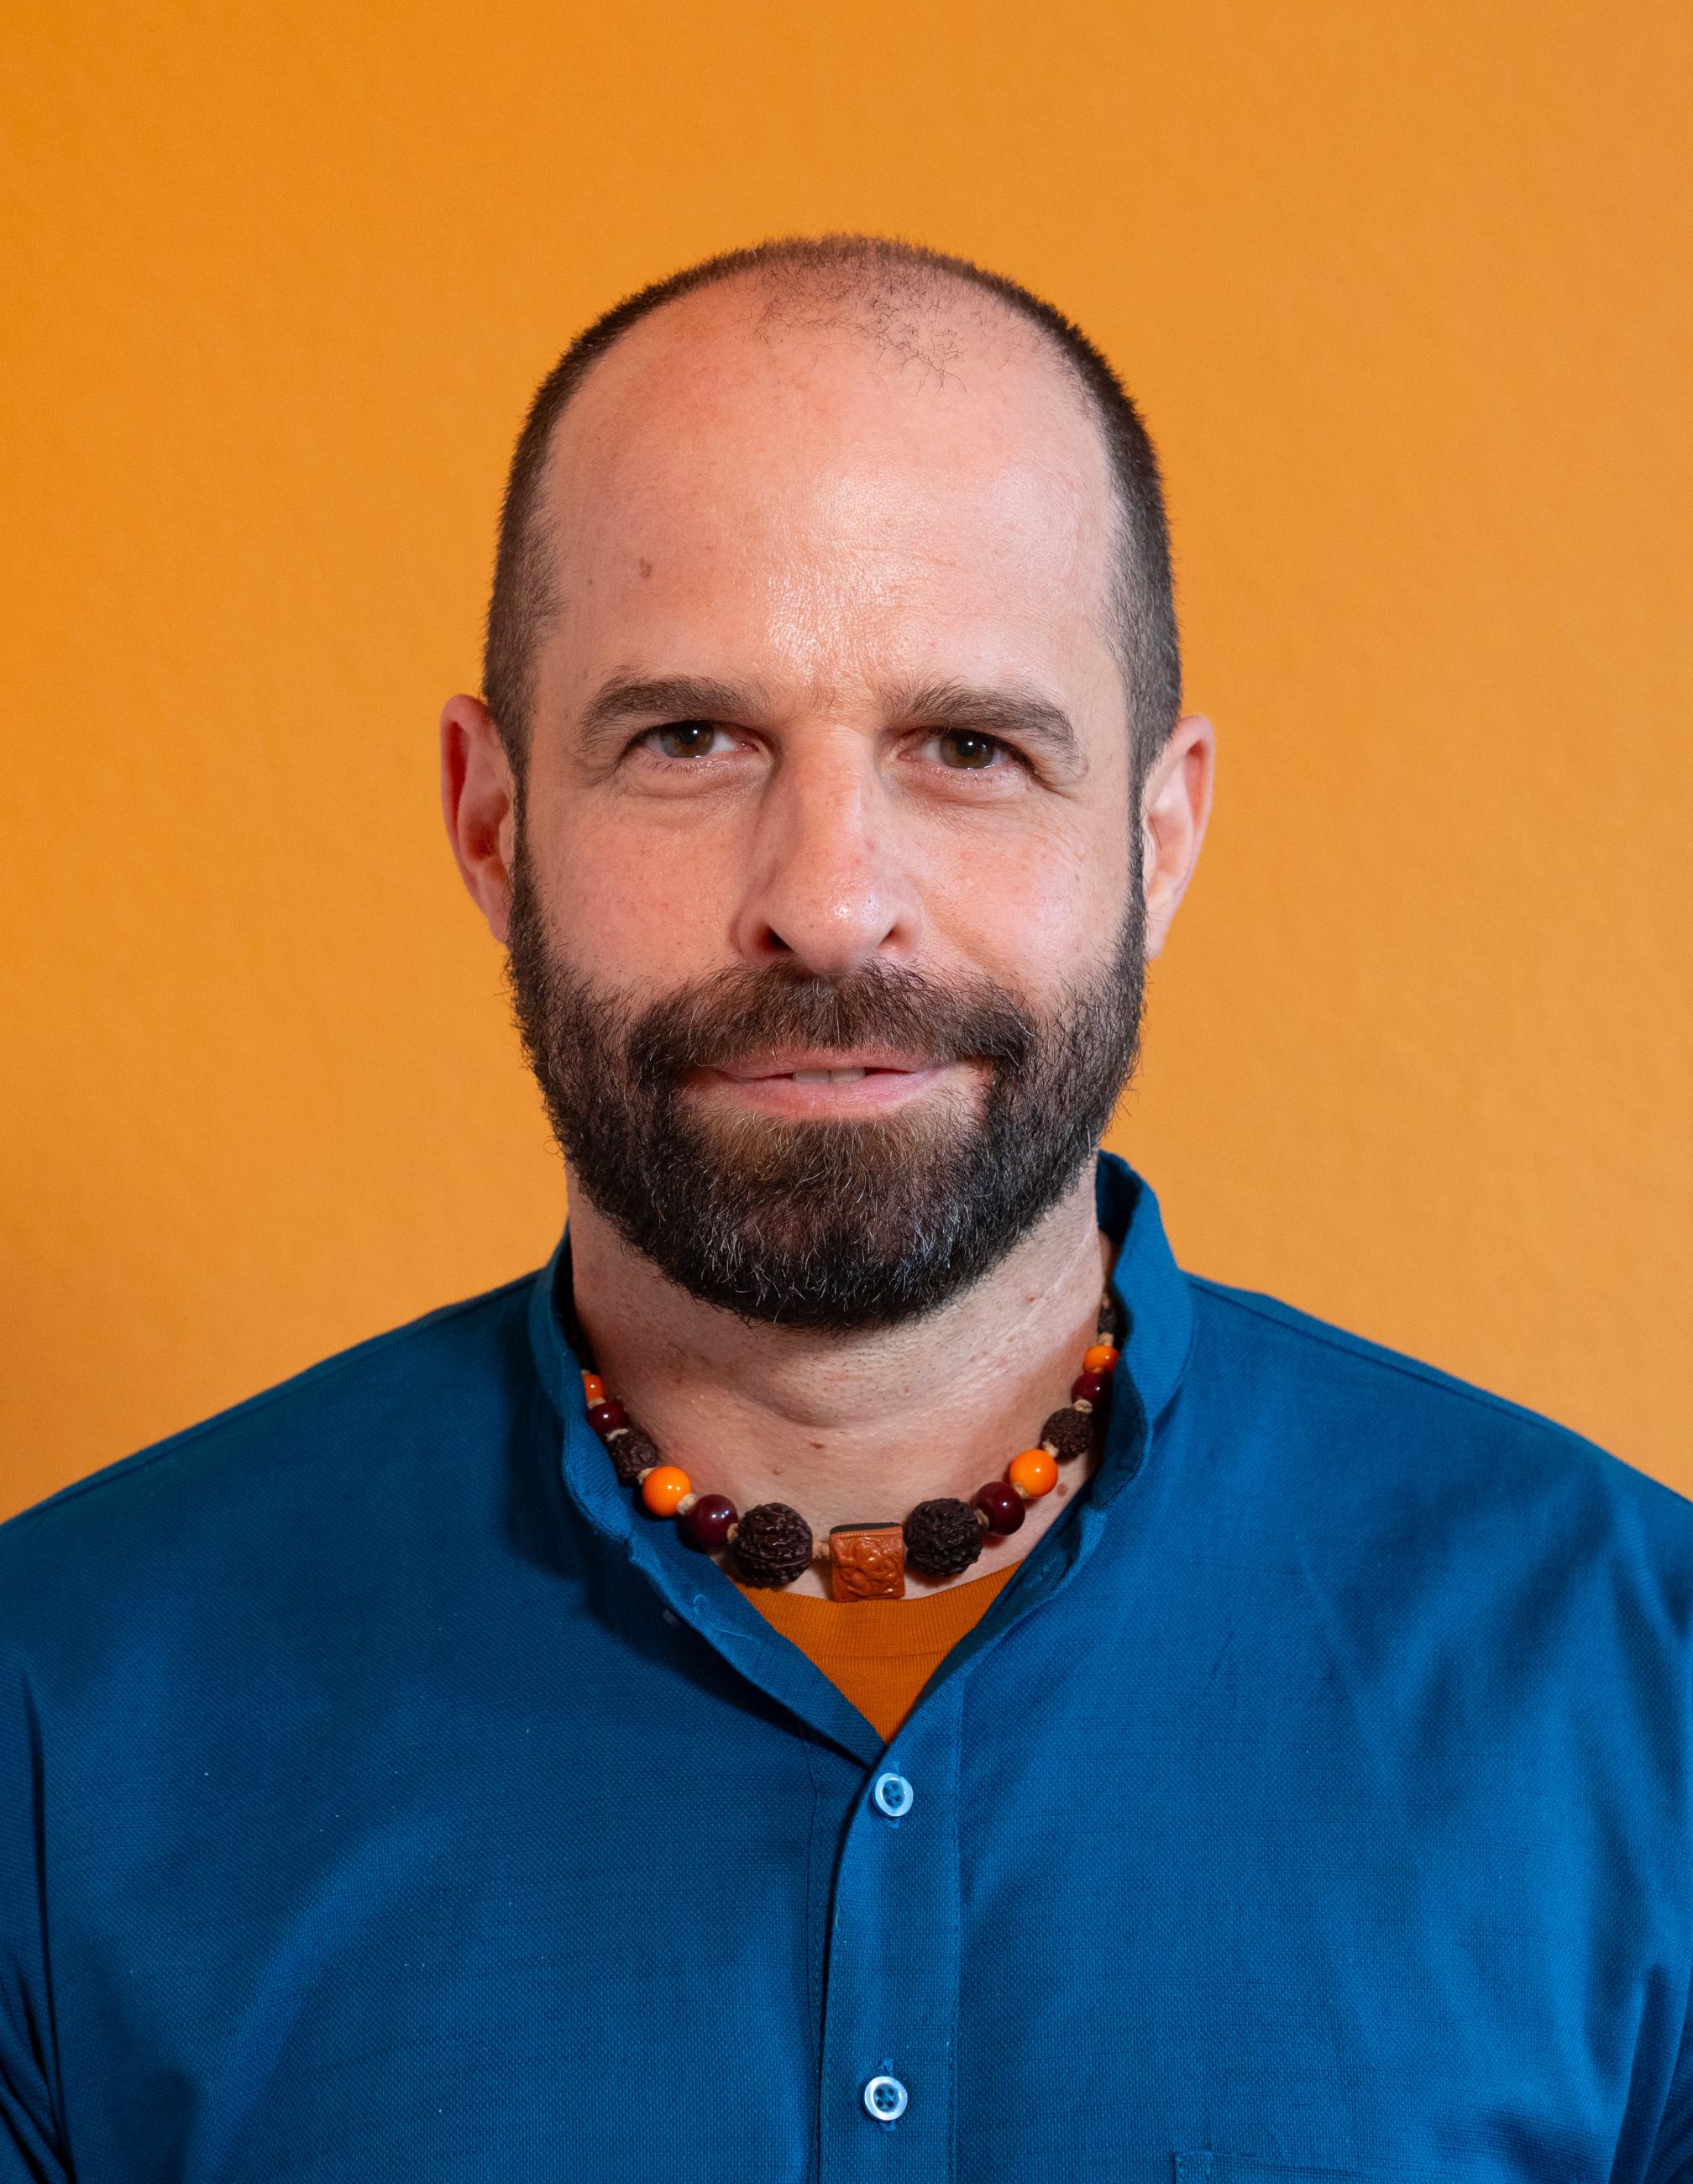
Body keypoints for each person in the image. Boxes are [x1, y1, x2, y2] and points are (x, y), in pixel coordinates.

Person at [2, 234, 1690, 2184]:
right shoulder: (57, 1726)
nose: (828, 900)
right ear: (492, 820)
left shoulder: (1643, 1696)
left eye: (967, 748)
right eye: (688, 739)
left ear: (1156, 841)